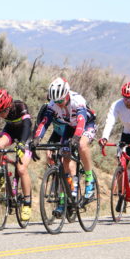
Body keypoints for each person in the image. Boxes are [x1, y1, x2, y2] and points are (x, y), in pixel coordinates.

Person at [33, 77, 97, 215]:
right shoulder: (52, 104)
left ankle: (89, 180)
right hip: (70, 127)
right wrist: (37, 138)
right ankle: (67, 195)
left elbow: (81, 121)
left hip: (86, 124)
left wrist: (76, 137)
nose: (59, 104)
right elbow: (45, 122)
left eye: (61, 100)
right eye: (56, 101)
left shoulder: (77, 100)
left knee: (81, 145)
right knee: (64, 161)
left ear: (67, 94)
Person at [0, 89, 33, 221]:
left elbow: (27, 125)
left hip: (25, 135)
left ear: (9, 106)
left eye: (3, 111)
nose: (0, 114)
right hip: (10, 131)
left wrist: (21, 144)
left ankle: (27, 202)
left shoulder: (21, 106)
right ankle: (2, 173)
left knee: (21, 169)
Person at [99, 82, 130, 189]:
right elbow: (110, 121)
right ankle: (121, 195)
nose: (128, 102)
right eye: (125, 98)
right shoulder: (117, 105)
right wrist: (104, 137)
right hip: (127, 133)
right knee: (122, 162)